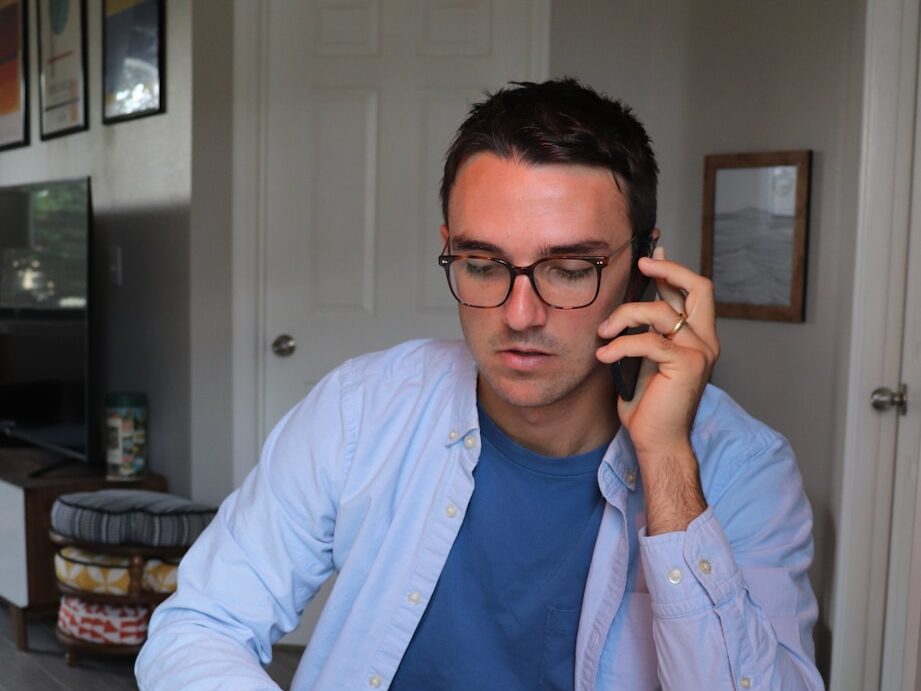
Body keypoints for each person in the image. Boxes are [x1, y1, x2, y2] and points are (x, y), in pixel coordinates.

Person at [136, 79, 823, 690]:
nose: (519, 315)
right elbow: (199, 624)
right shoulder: (361, 409)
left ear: (646, 266)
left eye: (569, 269)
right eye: (483, 264)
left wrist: (667, 462)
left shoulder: (742, 466)